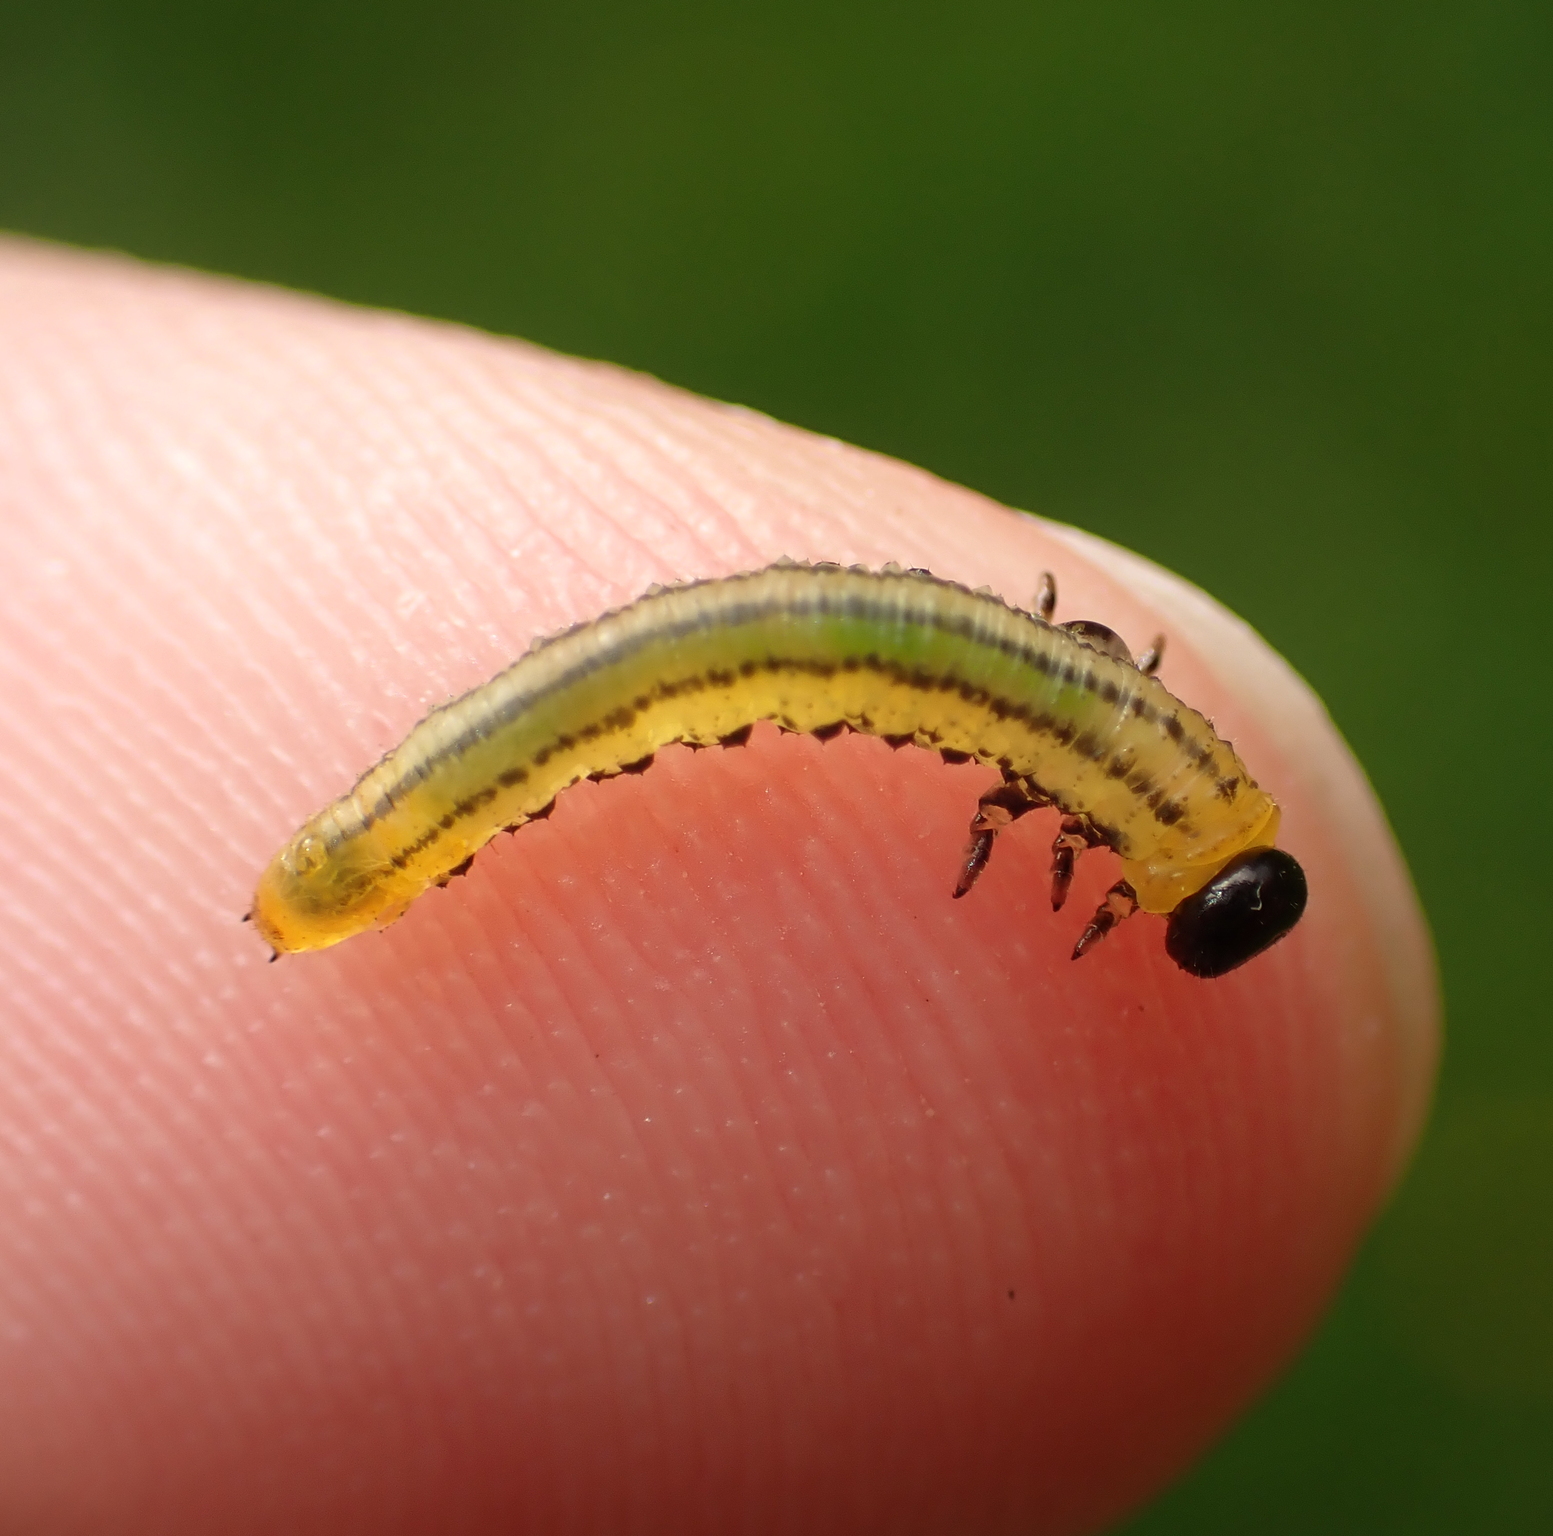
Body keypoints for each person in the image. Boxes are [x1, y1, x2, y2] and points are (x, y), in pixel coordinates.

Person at [0, 237, 1437, 1535]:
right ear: (1167, 845)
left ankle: (366, 853)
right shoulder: (1109, 783)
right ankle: (365, 855)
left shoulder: (1113, 756)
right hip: (598, 727)